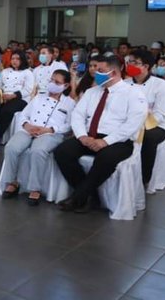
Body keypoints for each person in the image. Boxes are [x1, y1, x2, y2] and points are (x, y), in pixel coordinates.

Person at [53, 56, 148, 213]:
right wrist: (83, 136)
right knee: (62, 151)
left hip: (118, 140)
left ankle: (78, 197)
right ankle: (90, 197)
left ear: (114, 73)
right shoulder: (92, 92)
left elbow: (133, 123)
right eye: (96, 70)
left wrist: (106, 141)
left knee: (105, 159)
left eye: (101, 71)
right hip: (89, 136)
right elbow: (77, 115)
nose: (96, 73)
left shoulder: (133, 93)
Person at [0, 70, 75, 205]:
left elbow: (69, 125)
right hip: (29, 129)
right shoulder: (39, 97)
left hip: (51, 134)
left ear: (66, 85)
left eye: (57, 82)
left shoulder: (69, 103)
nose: (53, 84)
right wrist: (27, 125)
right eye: (51, 80)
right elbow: (23, 114)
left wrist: (49, 129)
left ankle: (35, 188)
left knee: (37, 151)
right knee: (11, 147)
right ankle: (12, 182)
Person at [126, 50, 165, 186]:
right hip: (128, 123)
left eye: (135, 62)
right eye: (129, 62)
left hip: (155, 126)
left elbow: (159, 114)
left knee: (148, 138)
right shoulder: (125, 84)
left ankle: (144, 178)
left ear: (146, 66)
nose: (131, 65)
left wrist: (138, 126)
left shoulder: (161, 85)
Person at [0, 50, 34, 141]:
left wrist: (12, 96)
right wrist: (2, 95)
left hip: (20, 98)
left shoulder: (27, 72)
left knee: (6, 111)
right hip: (4, 97)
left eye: (17, 59)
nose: (14, 61)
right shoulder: (5, 71)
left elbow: (28, 89)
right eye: (13, 58)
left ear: (22, 60)